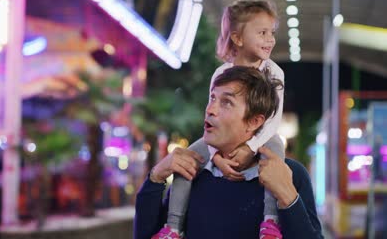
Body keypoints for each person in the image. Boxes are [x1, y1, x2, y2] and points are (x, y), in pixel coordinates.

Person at [134, 66, 323, 239]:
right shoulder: (192, 173)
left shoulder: (290, 174)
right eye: (213, 98)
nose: (210, 109)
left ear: (254, 122)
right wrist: (156, 177)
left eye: (226, 102)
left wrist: (288, 196)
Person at [152, 0, 286, 239]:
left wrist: (250, 147)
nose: (270, 39)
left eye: (272, 33)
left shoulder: (275, 73)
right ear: (238, 38)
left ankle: (270, 222)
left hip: (261, 137)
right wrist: (215, 156)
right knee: (185, 159)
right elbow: (213, 117)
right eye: (262, 33)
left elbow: (273, 121)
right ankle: (173, 227)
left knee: (277, 151)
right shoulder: (220, 73)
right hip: (222, 140)